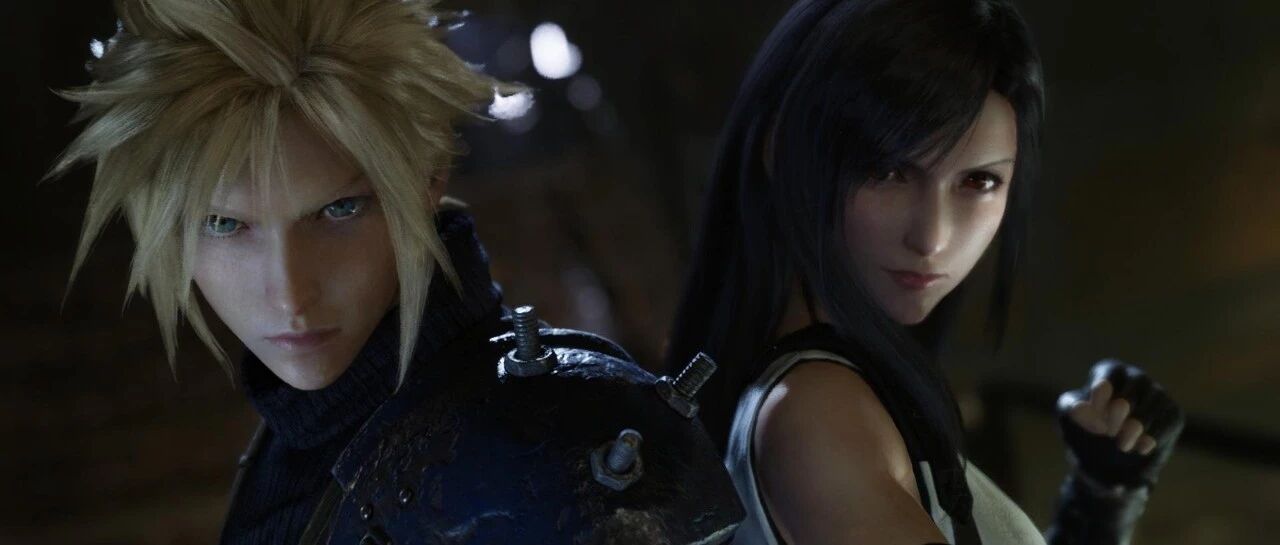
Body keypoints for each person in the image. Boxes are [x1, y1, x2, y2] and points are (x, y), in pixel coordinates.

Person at [45, 0, 742, 543]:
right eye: (225, 225)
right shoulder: (292, 441)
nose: (289, 294)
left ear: (427, 179)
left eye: (338, 209)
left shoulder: (548, 450)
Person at [664, 0, 1184, 543]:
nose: (932, 238)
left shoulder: (839, 397)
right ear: (782, 152)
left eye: (978, 181)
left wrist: (1101, 499)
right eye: (889, 171)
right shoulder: (821, 416)